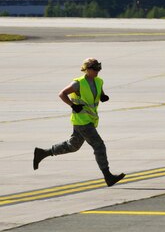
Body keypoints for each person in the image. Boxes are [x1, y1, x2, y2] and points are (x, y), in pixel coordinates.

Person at [33, 58, 126, 187]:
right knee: (99, 146)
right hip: (82, 121)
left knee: (73, 146)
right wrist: (72, 105)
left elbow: (99, 93)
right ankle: (108, 176)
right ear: (87, 69)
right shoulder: (78, 83)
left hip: (90, 120)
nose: (98, 71)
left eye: (99, 68)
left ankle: (44, 152)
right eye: (95, 68)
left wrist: (103, 96)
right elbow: (62, 94)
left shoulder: (99, 81)